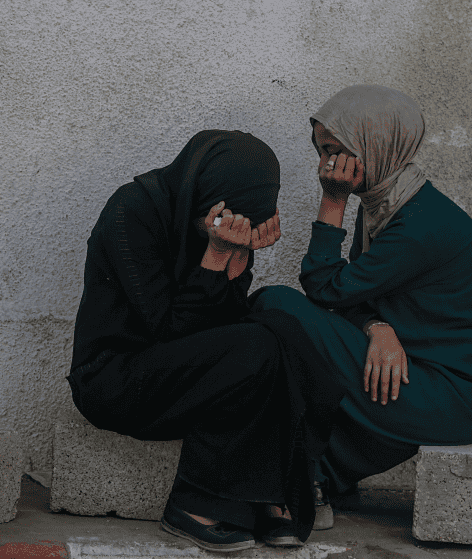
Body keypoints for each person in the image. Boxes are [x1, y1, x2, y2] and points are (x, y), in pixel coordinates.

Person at [66, 130, 344, 551]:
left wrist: (238, 258)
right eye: (227, 219)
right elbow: (169, 332)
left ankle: (276, 489)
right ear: (202, 192)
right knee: (255, 347)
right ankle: (194, 504)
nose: (235, 228)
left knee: (284, 328)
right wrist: (216, 256)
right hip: (114, 379)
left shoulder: (210, 223)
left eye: (246, 225)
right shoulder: (131, 213)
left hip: (174, 375)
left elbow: (219, 324)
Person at [250, 85, 472, 528]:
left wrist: (332, 199)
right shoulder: (386, 206)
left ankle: (309, 477)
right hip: (425, 375)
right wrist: (377, 327)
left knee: (274, 305)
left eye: (335, 152)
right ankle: (316, 476)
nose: (325, 167)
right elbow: (354, 298)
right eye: (322, 152)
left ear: (376, 146)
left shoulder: (420, 225)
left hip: (451, 396)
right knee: (334, 354)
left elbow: (324, 287)